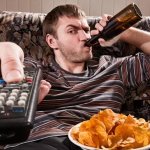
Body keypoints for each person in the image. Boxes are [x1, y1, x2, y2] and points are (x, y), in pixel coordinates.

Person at [1, 4, 150, 150]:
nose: (84, 36)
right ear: (52, 41)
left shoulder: (113, 67)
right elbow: (13, 65)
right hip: (43, 141)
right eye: (72, 31)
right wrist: (9, 53)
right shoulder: (36, 69)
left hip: (98, 144)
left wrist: (123, 31)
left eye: (86, 30)